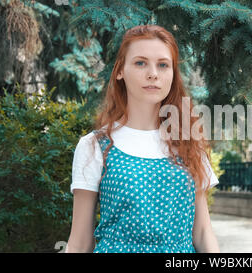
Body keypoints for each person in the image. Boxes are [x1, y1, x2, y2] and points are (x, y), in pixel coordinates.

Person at [65, 25, 220, 253]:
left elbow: (203, 232)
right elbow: (80, 242)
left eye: (163, 65)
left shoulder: (189, 143)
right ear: (120, 71)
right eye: (140, 63)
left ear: (172, 75)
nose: (153, 74)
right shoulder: (94, 146)